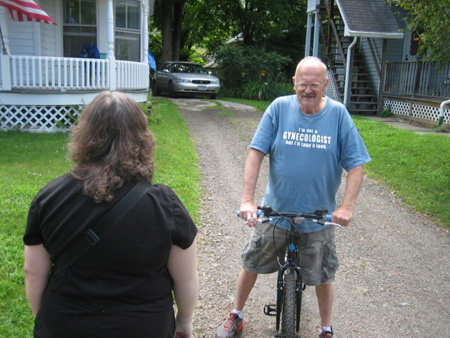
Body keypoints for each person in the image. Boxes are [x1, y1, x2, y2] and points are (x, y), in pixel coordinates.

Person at [215, 56, 371, 338]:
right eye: (302, 84)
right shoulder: (279, 108)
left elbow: (357, 164)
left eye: (314, 85)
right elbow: (255, 154)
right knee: (251, 263)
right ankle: (236, 315)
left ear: (325, 85)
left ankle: (325, 329)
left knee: (323, 275)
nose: (307, 90)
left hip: (319, 218)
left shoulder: (338, 115)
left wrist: (346, 208)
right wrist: (248, 200)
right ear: (294, 83)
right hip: (276, 212)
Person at [23, 91, 198, 338]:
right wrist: (185, 321)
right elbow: (186, 278)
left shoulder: (50, 198)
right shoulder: (164, 205)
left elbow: (33, 271)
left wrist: (46, 319)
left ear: (85, 135)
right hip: (145, 327)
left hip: (66, 324)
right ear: (142, 138)